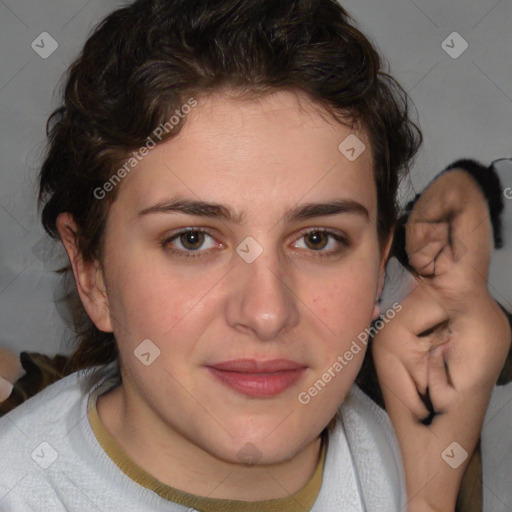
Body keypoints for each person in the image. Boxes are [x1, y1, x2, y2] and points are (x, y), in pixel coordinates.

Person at [0, 1, 508, 510]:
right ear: (93, 274)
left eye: (318, 240)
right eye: (193, 239)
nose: (267, 313)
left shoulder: (420, 446)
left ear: (379, 268)